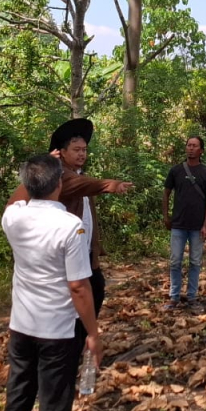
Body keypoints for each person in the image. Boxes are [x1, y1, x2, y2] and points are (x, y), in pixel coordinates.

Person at [0, 154, 101, 411]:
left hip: (22, 328)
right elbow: (78, 286)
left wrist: (35, 173)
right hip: (58, 331)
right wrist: (94, 333)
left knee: (17, 406)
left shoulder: (14, 217)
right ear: (59, 184)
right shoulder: (70, 226)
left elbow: (15, 198)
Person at [44, 118, 134, 316]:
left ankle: (82, 337)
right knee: (73, 302)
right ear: (62, 152)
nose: (82, 154)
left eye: (84, 149)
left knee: (95, 289)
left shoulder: (79, 174)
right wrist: (111, 185)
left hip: (85, 252)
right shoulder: (58, 176)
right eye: (77, 150)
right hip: (68, 253)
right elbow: (85, 184)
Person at [163, 136, 206, 310]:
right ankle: (174, 297)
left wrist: (205, 224)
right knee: (175, 261)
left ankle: (192, 296)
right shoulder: (176, 171)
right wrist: (166, 216)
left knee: (195, 262)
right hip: (178, 225)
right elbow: (166, 193)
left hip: (197, 226)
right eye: (189, 145)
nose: (191, 148)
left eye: (195, 146)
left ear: (201, 150)